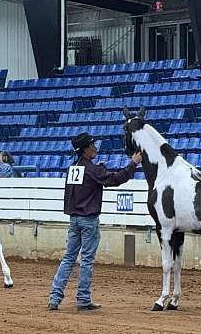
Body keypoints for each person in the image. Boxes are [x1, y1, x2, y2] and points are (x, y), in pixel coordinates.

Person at [48, 132, 142, 311]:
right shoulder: (92, 170)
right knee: (87, 260)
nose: (95, 147)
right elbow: (116, 179)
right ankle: (83, 298)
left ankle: (55, 297)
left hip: (74, 218)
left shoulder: (74, 168)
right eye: (92, 145)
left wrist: (97, 170)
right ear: (85, 150)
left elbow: (86, 180)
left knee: (68, 258)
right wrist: (133, 164)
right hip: (88, 220)